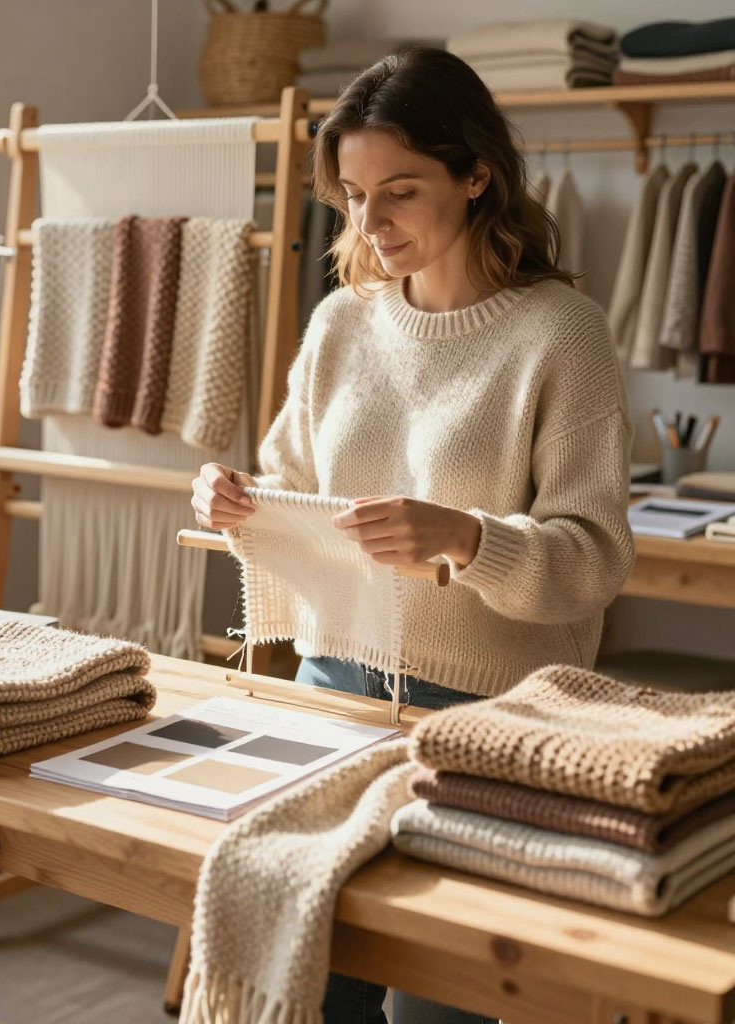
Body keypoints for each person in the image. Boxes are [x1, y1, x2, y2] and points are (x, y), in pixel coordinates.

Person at [190, 47, 635, 1024]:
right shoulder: (341, 324)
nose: (368, 222)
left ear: (477, 174)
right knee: (301, 984)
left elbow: (595, 558)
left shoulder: (560, 335)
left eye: (398, 191)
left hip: (495, 729)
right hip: (330, 702)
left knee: (435, 1011)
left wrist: (467, 538)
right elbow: (293, 498)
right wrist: (234, 504)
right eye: (351, 194)